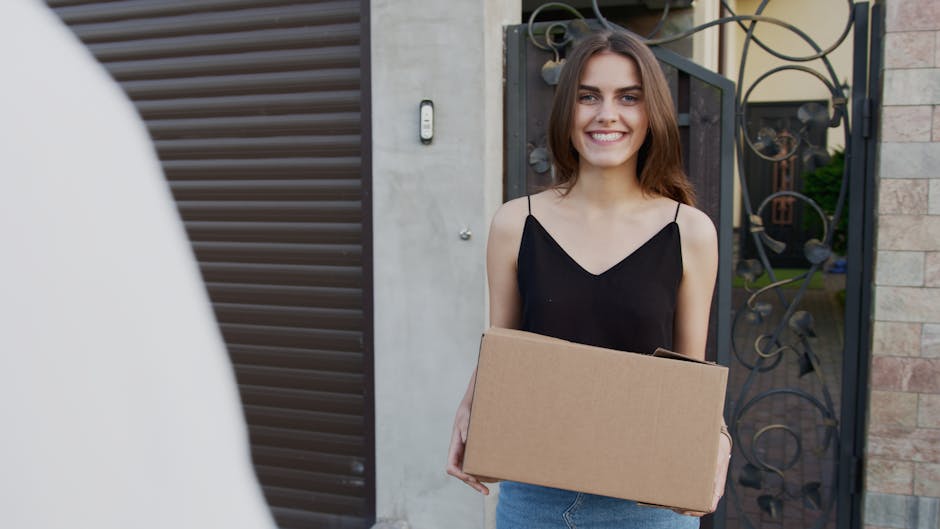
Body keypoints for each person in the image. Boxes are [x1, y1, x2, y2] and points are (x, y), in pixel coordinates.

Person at [445, 29, 732, 528]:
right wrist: (472, 401)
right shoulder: (516, 223)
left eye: (628, 98)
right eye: (588, 96)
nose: (607, 114)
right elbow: (506, 348)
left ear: (651, 114)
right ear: (567, 110)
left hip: (650, 505)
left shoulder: (690, 231)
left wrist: (720, 439)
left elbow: (691, 376)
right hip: (534, 499)